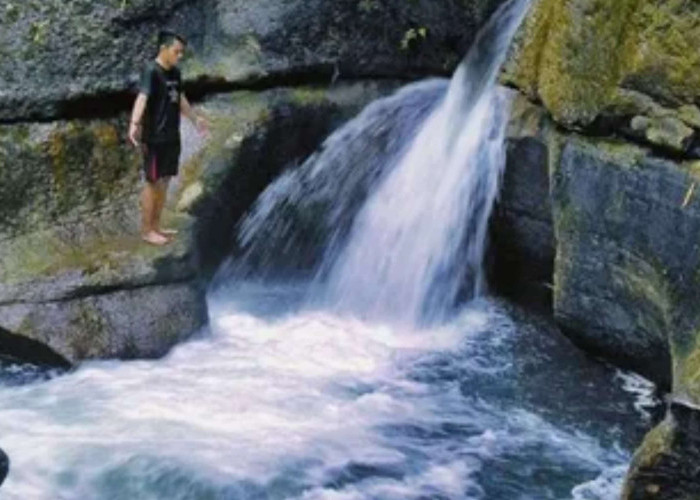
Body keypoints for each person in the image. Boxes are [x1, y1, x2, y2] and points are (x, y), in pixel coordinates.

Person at [128, 30, 209, 246]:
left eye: (182, 53)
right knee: (152, 182)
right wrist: (134, 123)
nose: (179, 56)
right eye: (176, 51)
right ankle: (147, 230)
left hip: (172, 137)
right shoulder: (151, 71)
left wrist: (195, 119)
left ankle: (157, 226)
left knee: (164, 182)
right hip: (154, 139)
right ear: (164, 49)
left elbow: (180, 98)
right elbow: (142, 98)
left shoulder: (175, 73)